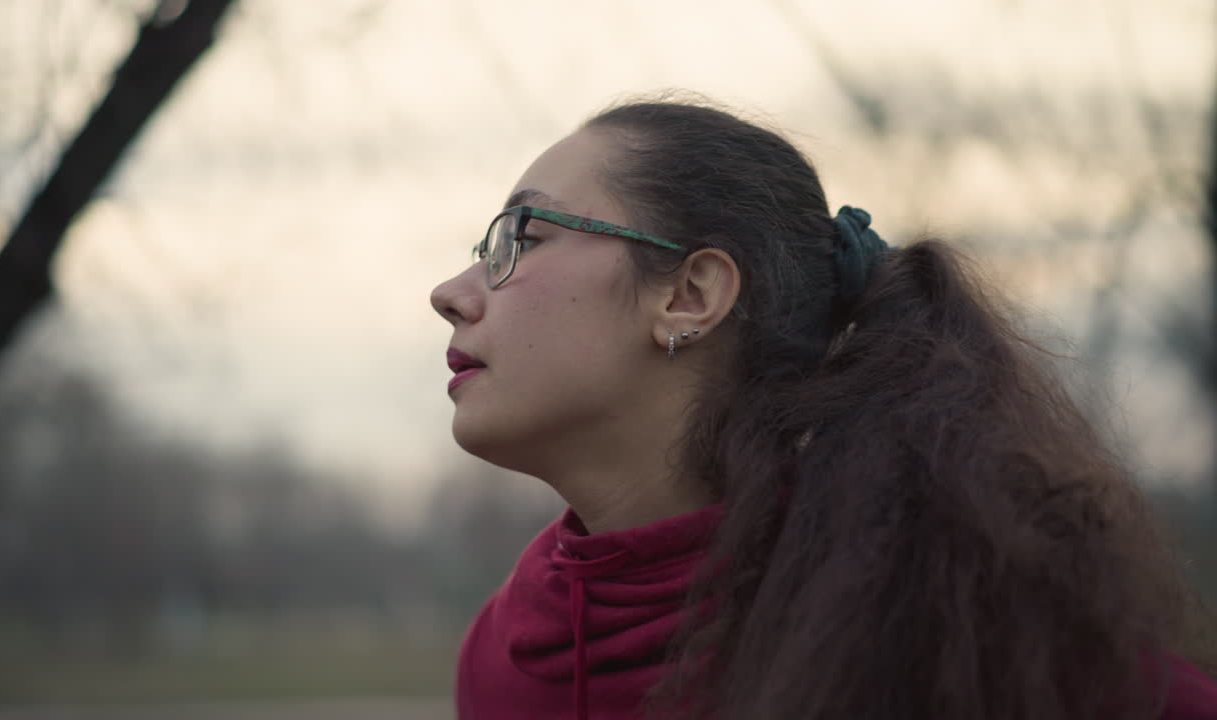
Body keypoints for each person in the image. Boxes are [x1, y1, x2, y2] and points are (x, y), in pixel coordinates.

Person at [429, 96, 1217, 720]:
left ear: (690, 295)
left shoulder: (955, 621)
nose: (450, 294)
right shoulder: (504, 656)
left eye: (521, 237)